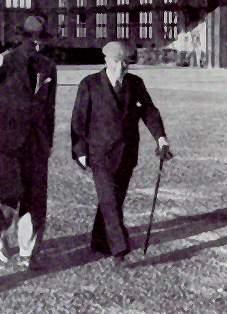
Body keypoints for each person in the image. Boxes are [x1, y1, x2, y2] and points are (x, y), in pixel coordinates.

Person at [70, 41, 171, 266]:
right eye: (118, 62)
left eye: (126, 63)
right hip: (100, 154)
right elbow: (78, 120)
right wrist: (80, 150)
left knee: (113, 200)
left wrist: (160, 138)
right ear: (106, 60)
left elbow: (149, 112)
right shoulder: (90, 84)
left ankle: (98, 241)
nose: (122, 67)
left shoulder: (135, 84)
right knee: (110, 202)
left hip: (126, 154)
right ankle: (120, 250)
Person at [0, 15, 56, 270]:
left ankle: (28, 253)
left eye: (41, 38)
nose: (37, 43)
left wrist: (48, 140)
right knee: (10, 195)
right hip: (7, 142)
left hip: (37, 144)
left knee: (36, 199)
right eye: (32, 38)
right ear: (23, 38)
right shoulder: (5, 60)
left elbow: (50, 108)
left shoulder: (49, 67)